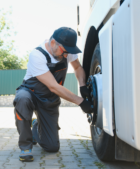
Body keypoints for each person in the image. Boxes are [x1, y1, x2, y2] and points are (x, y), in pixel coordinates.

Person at [13, 27, 93, 162]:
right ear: (53, 43)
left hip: (49, 99)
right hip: (31, 93)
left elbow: (78, 67)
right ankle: (25, 146)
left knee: (51, 147)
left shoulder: (66, 51)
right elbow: (53, 86)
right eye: (64, 52)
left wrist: (82, 85)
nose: (66, 56)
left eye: (69, 52)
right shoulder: (37, 55)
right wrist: (81, 101)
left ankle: (35, 128)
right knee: (22, 99)